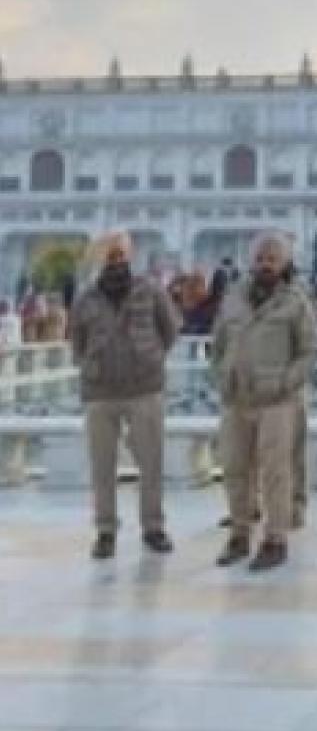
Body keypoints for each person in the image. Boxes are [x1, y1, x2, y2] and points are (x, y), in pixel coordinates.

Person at [211, 231, 317, 572]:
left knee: (275, 470)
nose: (265, 265)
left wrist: (287, 382)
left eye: (272, 259)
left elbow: (311, 350)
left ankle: (275, 538)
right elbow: (218, 344)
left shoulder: (295, 301)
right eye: (259, 258)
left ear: (285, 263)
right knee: (234, 467)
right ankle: (240, 533)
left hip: (277, 401)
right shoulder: (233, 298)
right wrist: (222, 375)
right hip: (237, 398)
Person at [68, 230, 178, 560]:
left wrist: (150, 358)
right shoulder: (85, 299)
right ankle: (105, 531)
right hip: (100, 392)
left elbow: (170, 329)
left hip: (143, 389)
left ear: (129, 256)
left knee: (151, 462)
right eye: (109, 255)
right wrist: (93, 364)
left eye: (120, 254)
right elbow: (77, 343)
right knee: (102, 465)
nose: (116, 260)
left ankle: (153, 526)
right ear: (99, 259)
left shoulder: (150, 290)